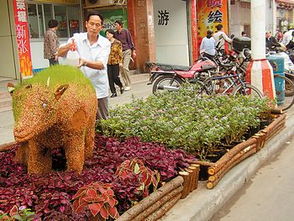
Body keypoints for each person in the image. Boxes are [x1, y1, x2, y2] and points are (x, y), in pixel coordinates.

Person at [58, 12, 111, 120]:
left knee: (102, 121)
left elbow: (101, 65)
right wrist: (69, 46)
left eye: (97, 25)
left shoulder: (105, 43)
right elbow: (60, 52)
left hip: (98, 89)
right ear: (86, 24)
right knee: (80, 121)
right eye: (91, 24)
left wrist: (84, 62)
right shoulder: (76, 38)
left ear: (101, 27)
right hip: (78, 89)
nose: (94, 27)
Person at [114, 20, 136, 91]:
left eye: (116, 25)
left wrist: (134, 51)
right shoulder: (115, 34)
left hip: (127, 51)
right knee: (121, 69)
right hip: (119, 53)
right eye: (115, 25)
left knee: (125, 68)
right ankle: (125, 84)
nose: (115, 26)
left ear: (120, 25)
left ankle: (128, 84)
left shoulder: (126, 31)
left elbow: (130, 41)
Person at [105, 29, 124, 98]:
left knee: (115, 77)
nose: (107, 35)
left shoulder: (117, 42)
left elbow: (120, 53)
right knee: (110, 78)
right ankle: (113, 92)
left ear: (112, 34)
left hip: (115, 62)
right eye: (106, 34)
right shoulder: (105, 43)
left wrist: (120, 62)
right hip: (108, 62)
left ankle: (120, 85)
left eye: (108, 34)